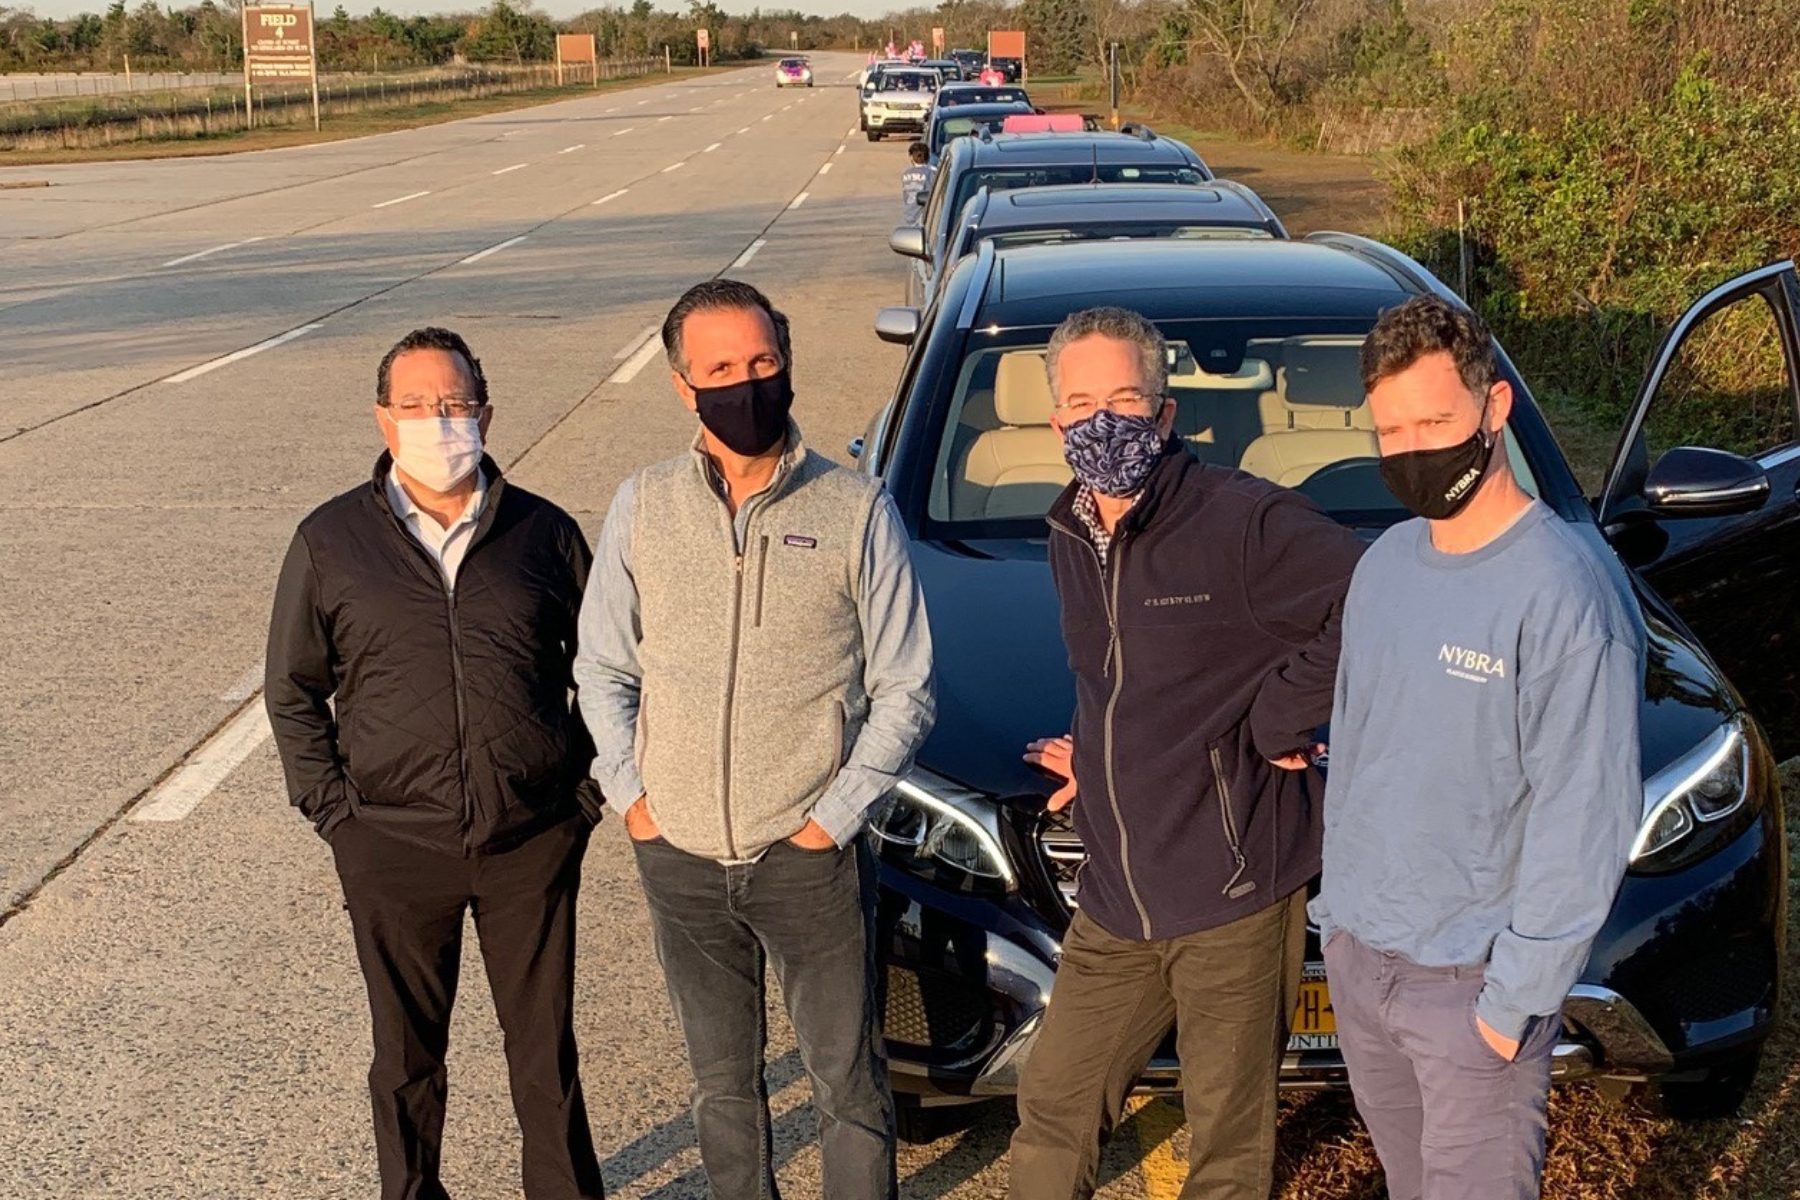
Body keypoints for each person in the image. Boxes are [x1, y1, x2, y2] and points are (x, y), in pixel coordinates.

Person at [573, 279, 935, 1200]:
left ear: (789, 367)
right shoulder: (643, 506)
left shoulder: (857, 509)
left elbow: (906, 690)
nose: (748, 384)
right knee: (722, 1088)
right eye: (723, 369)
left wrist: (832, 822)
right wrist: (636, 802)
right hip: (680, 856)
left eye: (764, 363)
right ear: (683, 386)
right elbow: (602, 670)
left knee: (847, 1086)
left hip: (810, 859)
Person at [1009, 307, 1366, 1199]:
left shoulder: (1240, 523)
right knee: (1054, 1103)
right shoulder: (1070, 533)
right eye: (1081, 401)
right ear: (1054, 422)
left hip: (1233, 895)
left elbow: (1374, 597)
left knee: (1226, 1149)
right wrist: (1100, 752)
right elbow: (1122, 677)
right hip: (1116, 900)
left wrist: (1278, 717)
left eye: (1126, 397)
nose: (1103, 422)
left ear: (1165, 415)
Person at [1313, 295, 1645, 1200]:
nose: (1412, 448)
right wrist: (1337, 920)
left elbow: (1588, 812)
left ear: (1494, 409)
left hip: (1472, 983)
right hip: (1363, 962)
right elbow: (1361, 748)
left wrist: (1510, 1005)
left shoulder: (1565, 591)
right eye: (1390, 430)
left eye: (1435, 420)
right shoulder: (1382, 566)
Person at [265, 327, 606, 1200]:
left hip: (529, 840)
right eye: (417, 406)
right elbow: (293, 691)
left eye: (454, 404)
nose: (438, 421)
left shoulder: (545, 534)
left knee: (543, 1055)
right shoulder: (330, 540)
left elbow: (607, 672)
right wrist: (337, 816)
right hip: (391, 842)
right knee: (407, 1059)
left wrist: (583, 796)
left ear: (486, 413)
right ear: (384, 419)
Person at [900, 140, 933, 224]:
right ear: (928, 157)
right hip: (923, 216)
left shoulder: (906, 174)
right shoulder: (930, 173)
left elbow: (905, 195)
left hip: (909, 214)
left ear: (911, 157)